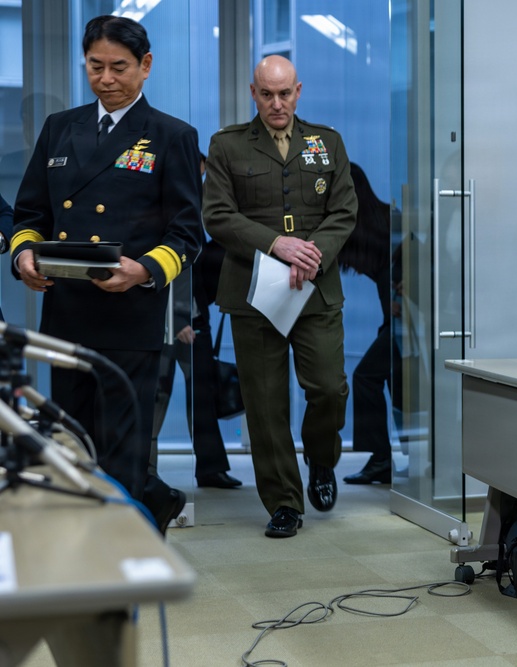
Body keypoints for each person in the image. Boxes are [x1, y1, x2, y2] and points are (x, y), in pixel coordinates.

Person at [10, 15, 202, 534]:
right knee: (72, 435)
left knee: (121, 441)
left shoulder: (171, 136)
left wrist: (143, 270)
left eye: (119, 68)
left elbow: (188, 233)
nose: (106, 79)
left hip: (129, 313)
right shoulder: (60, 127)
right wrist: (24, 256)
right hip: (66, 311)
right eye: (96, 67)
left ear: (145, 66)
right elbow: (30, 215)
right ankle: (136, 508)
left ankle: (120, 544)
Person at [203, 55, 357, 538]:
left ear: (298, 91)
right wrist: (276, 244)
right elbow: (218, 215)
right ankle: (285, 503)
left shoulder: (326, 142)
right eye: (266, 94)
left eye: (285, 93)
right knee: (266, 405)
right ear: (253, 93)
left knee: (329, 388)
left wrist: (313, 253)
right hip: (253, 292)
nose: (277, 103)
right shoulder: (227, 145)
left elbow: (345, 210)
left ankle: (322, 457)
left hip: (314, 288)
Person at [149, 236, 241, 489]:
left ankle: (211, 469)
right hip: (166, 323)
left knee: (202, 397)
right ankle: (147, 472)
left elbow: (197, 269)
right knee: (156, 397)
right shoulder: (171, 216)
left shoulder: (195, 219)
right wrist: (178, 319)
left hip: (195, 321)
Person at [340, 163, 400, 485]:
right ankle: (389, 459)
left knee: (366, 376)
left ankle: (381, 459)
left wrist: (406, 292)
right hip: (395, 319)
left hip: (404, 319)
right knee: (396, 384)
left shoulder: (377, 222)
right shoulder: (369, 222)